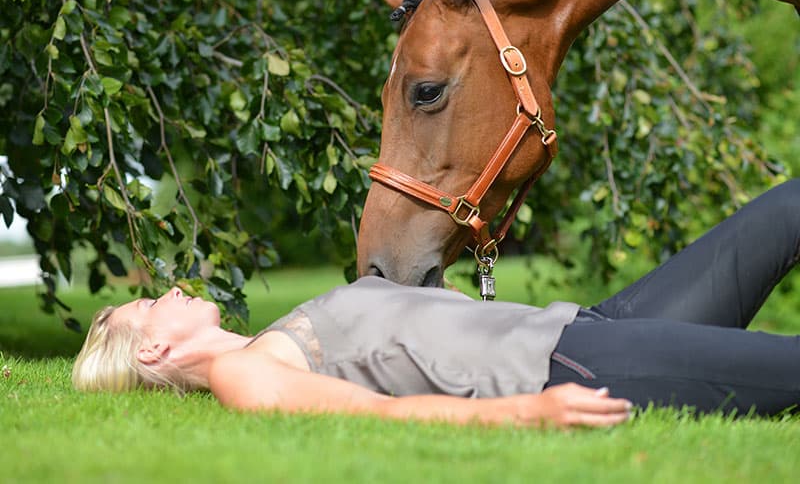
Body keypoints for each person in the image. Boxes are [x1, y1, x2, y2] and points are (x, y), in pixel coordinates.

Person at [72, 179, 800, 428]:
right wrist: (527, 414)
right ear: (152, 351)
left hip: (598, 323)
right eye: (147, 306)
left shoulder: (275, 336)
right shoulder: (244, 374)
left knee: (790, 207)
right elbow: (383, 415)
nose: (167, 288)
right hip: (577, 365)